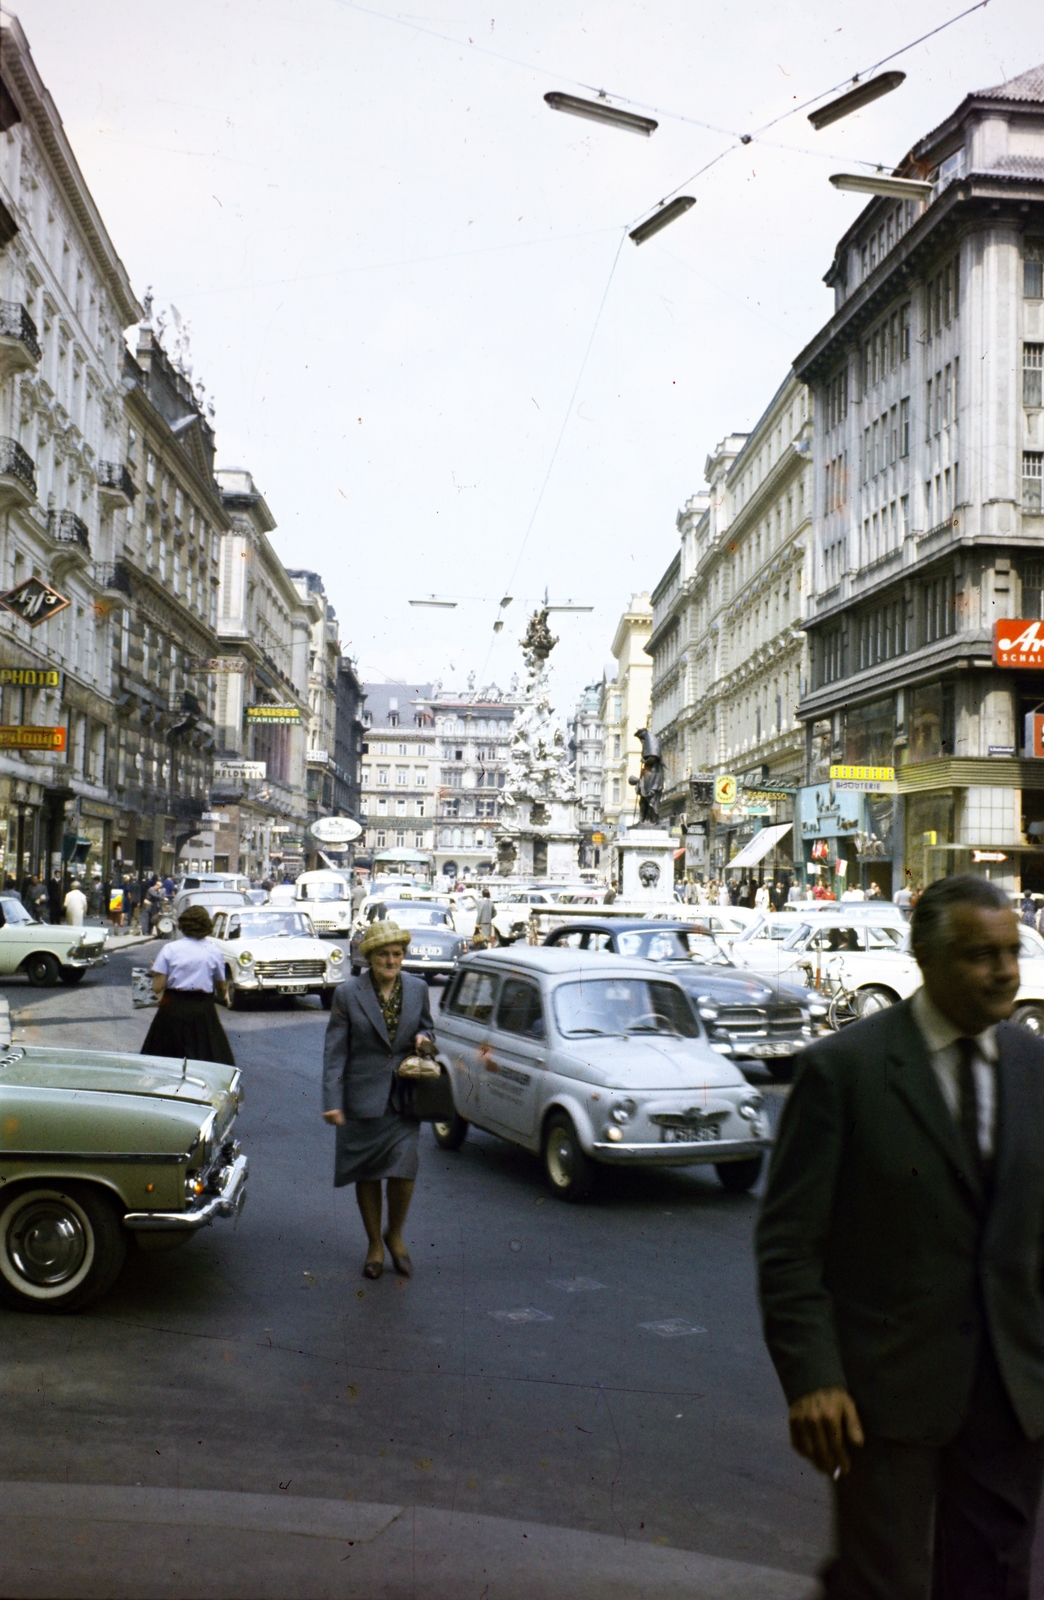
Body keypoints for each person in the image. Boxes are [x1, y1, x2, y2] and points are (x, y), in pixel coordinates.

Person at [757, 874, 1044, 1599]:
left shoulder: (1035, 1067)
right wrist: (814, 1377)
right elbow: (790, 1244)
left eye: (1012, 951)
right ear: (926, 957)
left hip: (1010, 1396)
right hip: (882, 1398)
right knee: (880, 1584)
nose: (1005, 971)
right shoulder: (844, 1070)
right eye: (981, 955)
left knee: (994, 1581)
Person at [321, 920, 435, 1280]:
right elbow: (335, 1052)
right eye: (384, 954)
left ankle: (395, 1234)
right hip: (360, 1097)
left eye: (397, 954)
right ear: (370, 957)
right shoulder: (347, 994)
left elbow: (427, 1027)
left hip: (403, 1099)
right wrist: (332, 1099)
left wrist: (425, 1040)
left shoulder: (417, 988)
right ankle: (374, 1244)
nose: (391, 960)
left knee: (404, 1170)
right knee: (367, 1173)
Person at [140, 905, 234, 1064]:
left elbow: (157, 987)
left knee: (163, 1059)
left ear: (183, 925)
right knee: (209, 1058)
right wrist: (223, 995)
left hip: (172, 1008)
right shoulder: (214, 951)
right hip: (202, 1010)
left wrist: (155, 970)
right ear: (207, 926)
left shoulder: (170, 949)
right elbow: (220, 985)